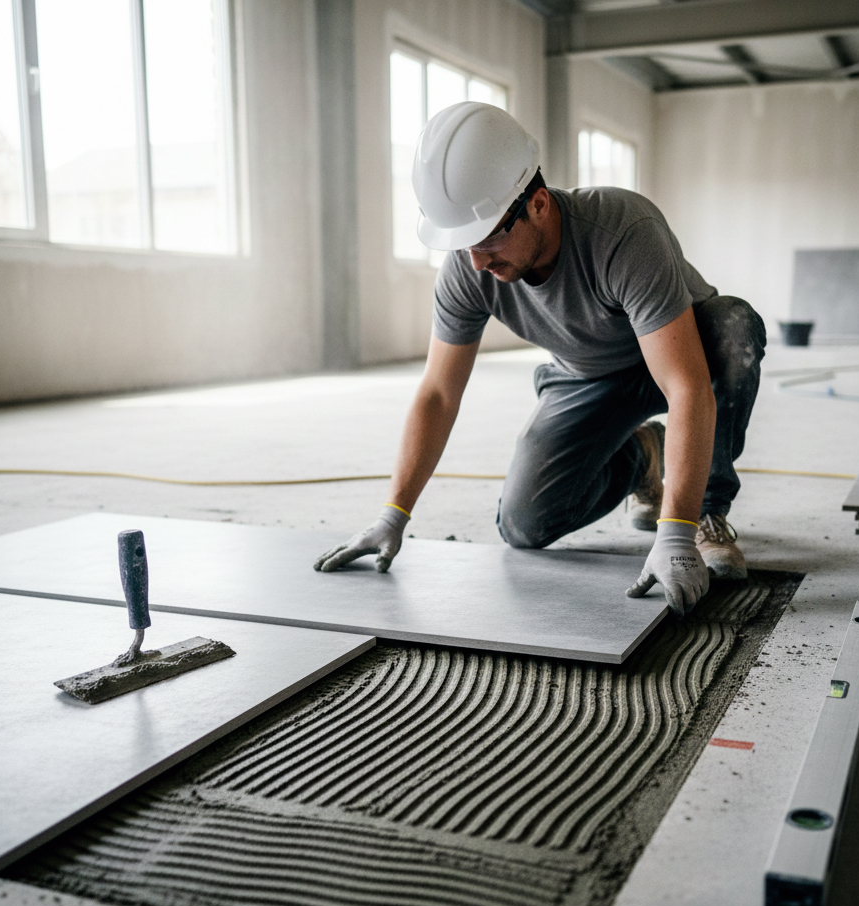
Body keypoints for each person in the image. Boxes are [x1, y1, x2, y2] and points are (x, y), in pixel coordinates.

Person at [314, 102, 766, 615]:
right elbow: (439, 393)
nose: (477, 262)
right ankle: (644, 454)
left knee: (734, 329)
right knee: (525, 525)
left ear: (539, 205)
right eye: (462, 245)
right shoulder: (469, 268)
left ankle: (707, 510)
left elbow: (686, 386)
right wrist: (393, 514)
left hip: (683, 349)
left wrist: (677, 533)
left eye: (486, 238)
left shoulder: (622, 231)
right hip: (586, 377)